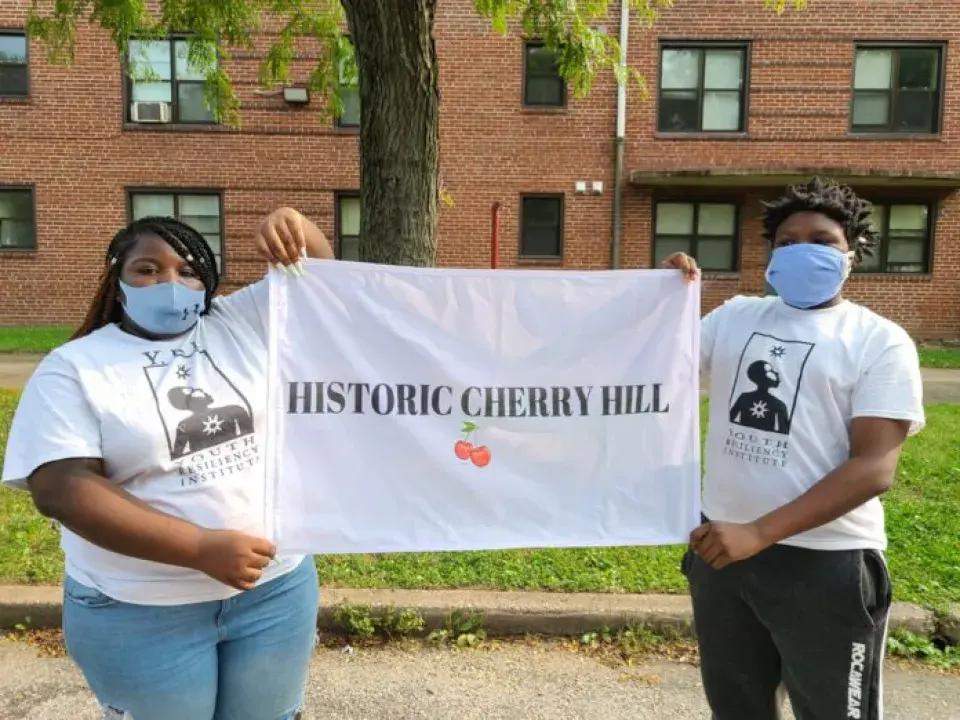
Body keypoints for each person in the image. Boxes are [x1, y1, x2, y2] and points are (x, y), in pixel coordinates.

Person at [1, 208, 333, 720]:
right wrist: (198, 547)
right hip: (140, 609)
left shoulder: (240, 322)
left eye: (188, 270)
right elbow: (62, 487)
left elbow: (321, 289)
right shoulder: (74, 367)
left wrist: (296, 226)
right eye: (148, 270)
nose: (170, 284)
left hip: (275, 592)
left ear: (208, 281)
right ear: (117, 280)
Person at [662, 177, 924, 720]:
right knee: (737, 708)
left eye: (822, 241)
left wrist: (759, 533)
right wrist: (662, 300)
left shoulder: (879, 340)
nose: (802, 250)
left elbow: (873, 467)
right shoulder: (736, 316)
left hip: (826, 564)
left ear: (852, 252)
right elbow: (656, 366)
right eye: (787, 242)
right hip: (721, 554)